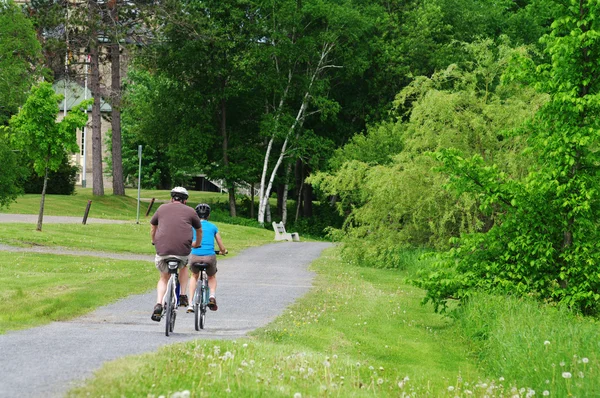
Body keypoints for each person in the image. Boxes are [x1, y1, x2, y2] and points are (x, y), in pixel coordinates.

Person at [149, 187, 202, 322]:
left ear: (172, 198)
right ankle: (183, 295)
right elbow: (199, 229)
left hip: (163, 249)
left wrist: (154, 240)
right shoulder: (190, 211)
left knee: (163, 278)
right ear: (185, 200)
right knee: (183, 266)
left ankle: (159, 303)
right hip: (182, 249)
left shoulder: (161, 208)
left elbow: (153, 226)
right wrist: (196, 243)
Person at [187, 203, 226, 312]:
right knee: (211, 277)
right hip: (209, 256)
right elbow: (220, 243)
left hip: (195, 256)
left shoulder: (192, 226)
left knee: (194, 276)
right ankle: (212, 296)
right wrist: (223, 251)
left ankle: (190, 303)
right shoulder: (213, 227)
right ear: (208, 215)